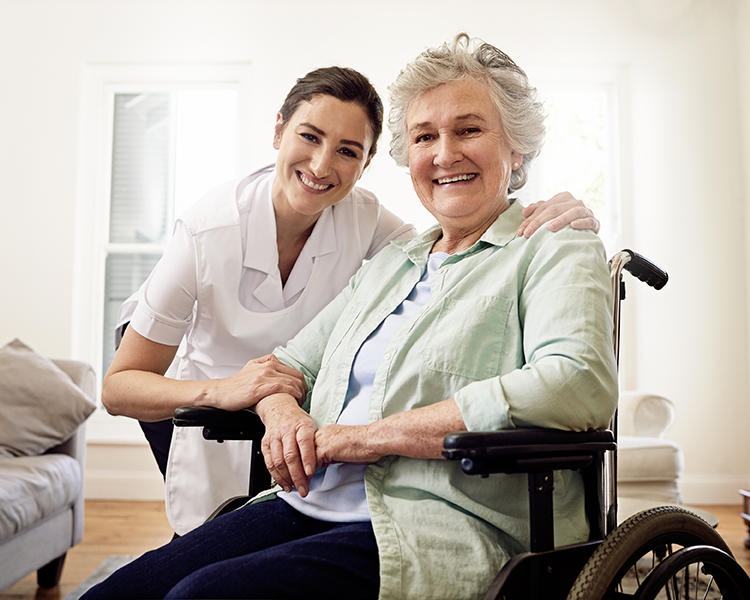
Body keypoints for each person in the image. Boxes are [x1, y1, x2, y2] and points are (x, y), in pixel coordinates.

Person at [86, 33, 619, 600]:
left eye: (469, 129)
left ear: (517, 152)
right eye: (424, 137)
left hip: (431, 520)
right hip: (308, 497)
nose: (443, 154)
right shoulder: (396, 258)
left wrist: (373, 437)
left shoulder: (553, 246)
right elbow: (284, 364)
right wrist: (283, 413)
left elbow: (578, 382)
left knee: (199, 597)